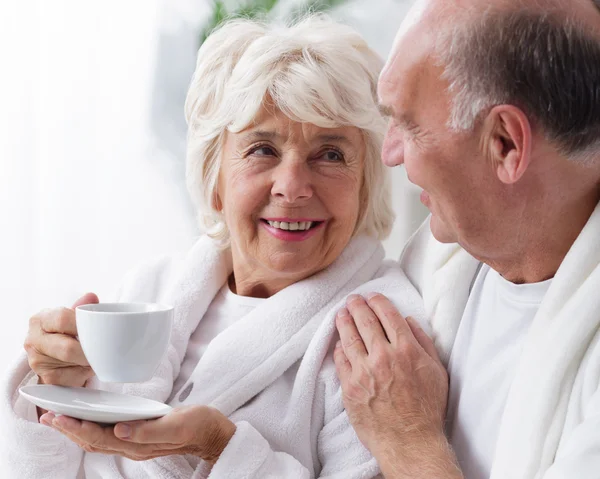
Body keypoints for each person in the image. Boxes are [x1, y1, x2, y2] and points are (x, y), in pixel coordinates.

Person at [0, 15, 429, 479]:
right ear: (215, 176)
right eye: (262, 148)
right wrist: (52, 389)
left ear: (365, 184)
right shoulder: (150, 286)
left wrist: (221, 448)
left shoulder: (379, 334)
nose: (292, 185)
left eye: (330, 154)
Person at [333, 0, 600, 478]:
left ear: (506, 145)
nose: (389, 152)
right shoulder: (433, 265)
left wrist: (409, 444)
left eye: (408, 124)